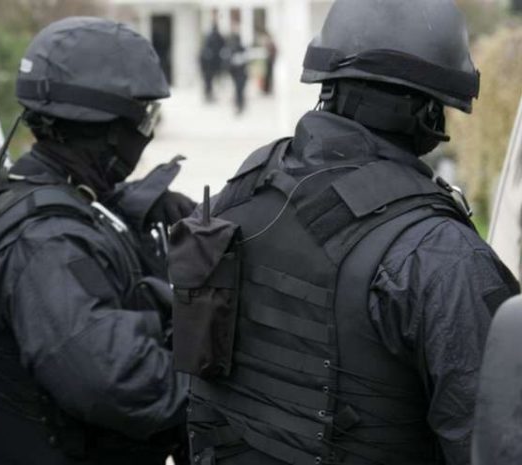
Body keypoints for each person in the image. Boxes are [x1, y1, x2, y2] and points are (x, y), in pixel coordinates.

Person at [169, 1, 520, 464]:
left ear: (327, 85)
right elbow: (495, 443)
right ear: (430, 112)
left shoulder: (240, 192)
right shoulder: (440, 253)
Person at [0, 17, 194, 465]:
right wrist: (228, 387)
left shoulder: (57, 195)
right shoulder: (45, 242)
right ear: (108, 128)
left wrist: (140, 207)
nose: (148, 133)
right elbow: (115, 380)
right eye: (143, 118)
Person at [200, 21, 225, 102]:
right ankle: (209, 95)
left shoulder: (212, 37)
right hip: (211, 65)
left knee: (209, 82)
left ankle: (209, 95)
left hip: (212, 64)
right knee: (209, 82)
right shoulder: (213, 37)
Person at [226, 26, 248, 115]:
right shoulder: (233, 49)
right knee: (239, 90)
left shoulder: (238, 48)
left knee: (239, 90)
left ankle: (239, 104)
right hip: (237, 73)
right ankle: (239, 104)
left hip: (239, 73)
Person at [261, 31, 277, 95]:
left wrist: (272, 58)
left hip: (270, 62)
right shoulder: (267, 44)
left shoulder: (271, 44)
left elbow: (275, 52)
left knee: (269, 76)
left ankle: (268, 89)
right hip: (267, 62)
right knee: (266, 76)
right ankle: (266, 89)